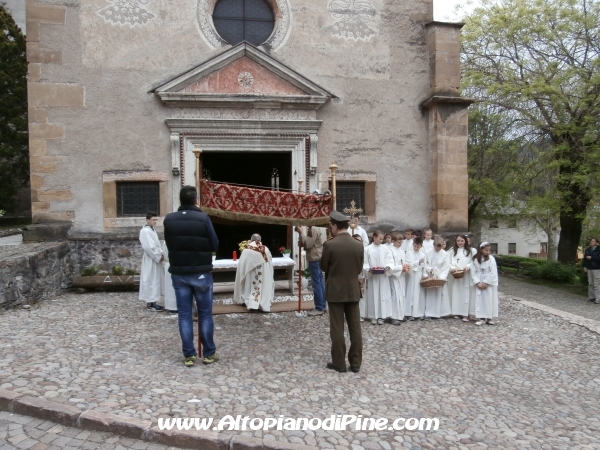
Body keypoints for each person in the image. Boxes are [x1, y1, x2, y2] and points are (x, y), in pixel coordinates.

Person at [164, 186, 219, 367]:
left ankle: (189, 355)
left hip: (180, 272)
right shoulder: (203, 218)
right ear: (196, 200)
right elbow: (214, 244)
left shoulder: (169, 220)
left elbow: (169, 243)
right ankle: (209, 353)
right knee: (205, 314)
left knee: (185, 315)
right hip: (201, 271)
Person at [320, 211, 365, 373]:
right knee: (355, 327)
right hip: (352, 290)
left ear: (335, 226)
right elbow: (359, 268)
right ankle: (355, 362)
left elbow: (323, 267)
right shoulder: (358, 244)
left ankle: (339, 363)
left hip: (335, 291)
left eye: (331, 226)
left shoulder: (330, 244)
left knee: (337, 328)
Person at [233, 234, 275, 312]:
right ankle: (262, 303)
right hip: (263, 274)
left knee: (249, 284)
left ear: (251, 240)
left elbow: (242, 265)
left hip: (251, 274)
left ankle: (251, 302)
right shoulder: (265, 249)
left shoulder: (247, 249)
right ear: (260, 240)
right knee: (263, 284)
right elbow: (270, 265)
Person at [295, 225, 328, 316]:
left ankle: (319, 307)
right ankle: (322, 305)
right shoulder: (322, 227)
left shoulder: (314, 228)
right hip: (319, 256)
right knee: (320, 282)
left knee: (316, 283)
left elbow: (308, 244)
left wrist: (301, 232)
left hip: (314, 257)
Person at [363, 230, 395, 325]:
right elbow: (365, 262)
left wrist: (387, 267)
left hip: (383, 276)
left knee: (382, 296)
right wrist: (368, 269)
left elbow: (389, 260)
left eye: (382, 239)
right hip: (373, 277)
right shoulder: (367, 249)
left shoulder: (385, 248)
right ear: (374, 237)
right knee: (373, 295)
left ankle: (381, 316)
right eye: (380, 238)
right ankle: (373, 316)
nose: (381, 240)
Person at [417, 236, 450, 320]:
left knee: (439, 294)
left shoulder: (445, 254)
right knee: (430, 295)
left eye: (439, 247)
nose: (437, 248)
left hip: (439, 275)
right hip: (430, 275)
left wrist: (441, 277)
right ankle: (429, 313)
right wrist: (429, 270)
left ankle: (438, 313)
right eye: (436, 246)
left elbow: (446, 267)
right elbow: (425, 264)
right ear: (433, 244)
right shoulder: (428, 252)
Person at [139, 212, 164, 312]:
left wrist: (161, 253)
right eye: (153, 220)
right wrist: (158, 256)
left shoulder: (152, 230)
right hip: (150, 258)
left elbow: (157, 244)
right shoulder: (145, 231)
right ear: (147, 220)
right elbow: (148, 247)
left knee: (155, 279)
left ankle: (154, 301)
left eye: (156, 220)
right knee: (150, 279)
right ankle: (150, 303)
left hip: (155, 258)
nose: (155, 222)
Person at [448, 234, 476, 322]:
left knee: (466, 294)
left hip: (466, 275)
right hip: (456, 275)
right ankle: (457, 312)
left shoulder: (471, 250)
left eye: (462, 241)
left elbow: (474, 261)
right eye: (458, 241)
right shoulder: (452, 250)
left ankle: (466, 313)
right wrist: (452, 268)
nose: (460, 242)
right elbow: (447, 261)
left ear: (465, 241)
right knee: (456, 293)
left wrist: (468, 266)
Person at [471, 242, 499, 325]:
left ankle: (489, 318)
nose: (488, 252)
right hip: (479, 280)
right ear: (481, 250)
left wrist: (486, 282)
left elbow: (493, 272)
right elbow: (473, 272)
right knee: (480, 300)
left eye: (489, 250)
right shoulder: (475, 259)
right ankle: (481, 317)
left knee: (489, 299)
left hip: (488, 282)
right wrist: (477, 282)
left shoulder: (491, 259)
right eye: (486, 250)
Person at [388, 232, 408, 325]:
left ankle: (400, 314)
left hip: (401, 276)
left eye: (401, 242)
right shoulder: (390, 251)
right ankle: (393, 316)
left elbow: (404, 261)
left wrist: (406, 267)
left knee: (402, 295)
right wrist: (400, 268)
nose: (400, 244)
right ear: (393, 241)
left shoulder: (401, 251)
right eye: (399, 242)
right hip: (394, 277)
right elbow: (390, 266)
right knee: (395, 295)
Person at [404, 236, 426, 320]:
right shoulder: (409, 253)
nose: (416, 248)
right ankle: (408, 312)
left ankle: (418, 313)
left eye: (418, 246)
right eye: (415, 246)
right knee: (410, 293)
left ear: (421, 246)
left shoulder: (423, 254)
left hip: (419, 275)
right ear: (413, 245)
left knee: (418, 294)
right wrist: (418, 262)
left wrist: (424, 275)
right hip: (411, 275)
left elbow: (424, 266)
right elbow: (408, 264)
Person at [161, 240, 177, 314]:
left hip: (173, 264)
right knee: (171, 287)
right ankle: (172, 306)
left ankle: (173, 305)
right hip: (172, 264)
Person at [583, 238, 600, 304]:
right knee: (590, 283)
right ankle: (591, 297)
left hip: (597, 268)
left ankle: (598, 298)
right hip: (589, 268)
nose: (592, 242)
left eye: (593, 241)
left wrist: (592, 257)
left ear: (596, 242)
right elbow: (585, 259)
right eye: (591, 241)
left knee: (597, 284)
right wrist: (585, 266)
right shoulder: (588, 250)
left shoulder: (598, 249)